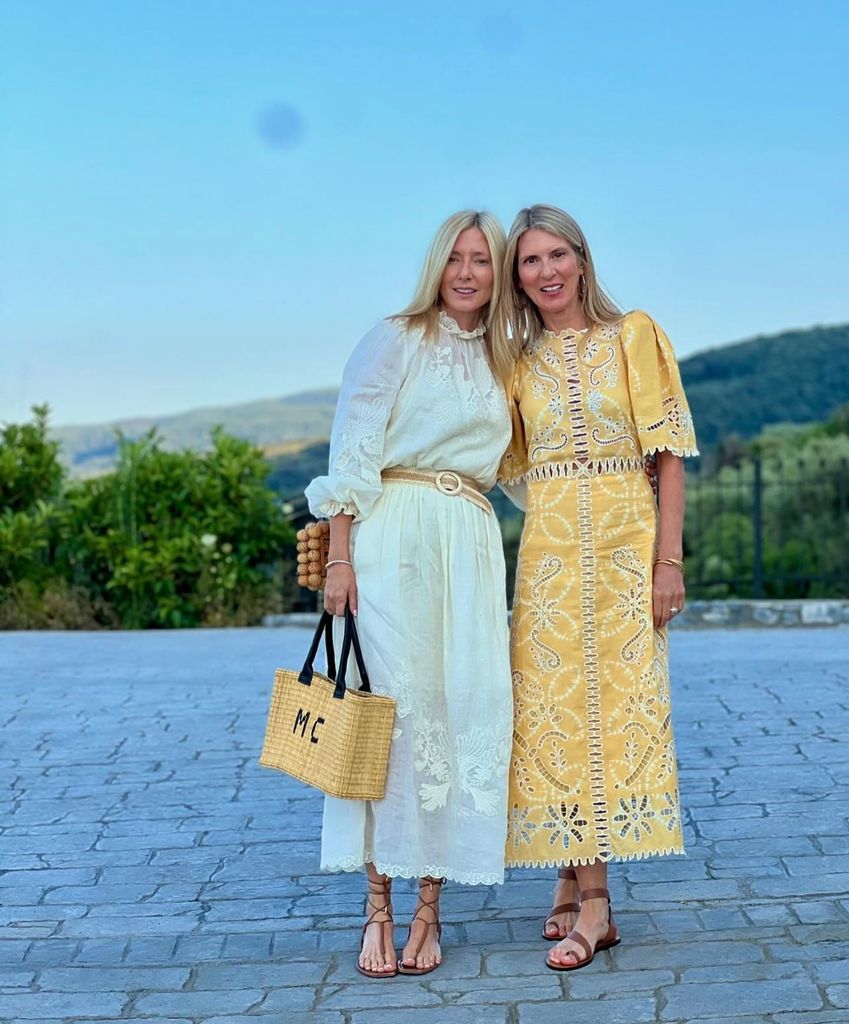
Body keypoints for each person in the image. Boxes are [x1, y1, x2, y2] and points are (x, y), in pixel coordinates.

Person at [304, 210, 515, 979]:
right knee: (390, 716)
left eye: (481, 260)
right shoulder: (394, 337)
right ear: (436, 265)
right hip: (394, 535)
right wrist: (339, 559)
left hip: (470, 542)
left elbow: (527, 467)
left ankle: (429, 909)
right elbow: (353, 451)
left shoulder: (505, 356)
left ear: (498, 272)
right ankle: (377, 908)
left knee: (458, 713)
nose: (466, 273)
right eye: (454, 258)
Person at [496, 204, 698, 971]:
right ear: (518, 278)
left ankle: (595, 907)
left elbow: (668, 454)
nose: (545, 271)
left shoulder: (633, 336)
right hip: (548, 561)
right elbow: (506, 465)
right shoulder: (515, 363)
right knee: (553, 714)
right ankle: (574, 879)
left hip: (623, 555)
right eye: (530, 261)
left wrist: (666, 561)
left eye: (557, 255)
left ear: (581, 260)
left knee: (613, 715)